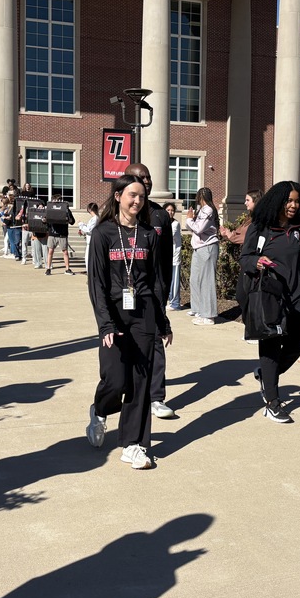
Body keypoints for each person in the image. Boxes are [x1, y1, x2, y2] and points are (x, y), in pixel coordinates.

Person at [85, 175, 172, 469]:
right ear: (119, 195)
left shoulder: (149, 234)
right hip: (114, 312)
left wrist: (162, 320)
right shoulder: (103, 234)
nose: (137, 201)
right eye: (132, 195)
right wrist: (105, 324)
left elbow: (157, 281)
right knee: (115, 380)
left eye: (142, 197)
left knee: (140, 381)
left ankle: (133, 444)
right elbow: (96, 283)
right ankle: (99, 410)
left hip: (144, 312)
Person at [240, 181, 300, 423]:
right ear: (278, 201)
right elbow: (245, 259)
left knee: (298, 342)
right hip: (270, 296)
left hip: (295, 295)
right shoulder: (260, 227)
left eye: (296, 201)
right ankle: (272, 401)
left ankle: (267, 375)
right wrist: (257, 262)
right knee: (271, 347)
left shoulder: (298, 228)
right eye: (289, 201)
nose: (293, 205)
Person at [125, 163, 175, 419]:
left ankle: (156, 397)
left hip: (153, 291)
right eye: (140, 178)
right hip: (123, 292)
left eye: (148, 177)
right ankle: (126, 393)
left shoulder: (159, 216)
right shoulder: (115, 214)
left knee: (156, 341)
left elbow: (165, 259)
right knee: (126, 344)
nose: (146, 181)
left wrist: (164, 290)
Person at [185, 187, 220, 326]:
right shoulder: (202, 210)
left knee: (207, 281)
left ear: (201, 196)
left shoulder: (208, 210)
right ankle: (199, 310)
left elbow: (198, 228)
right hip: (199, 247)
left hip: (207, 247)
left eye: (198, 196)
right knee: (195, 279)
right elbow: (195, 227)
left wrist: (189, 220)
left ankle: (209, 315)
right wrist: (191, 220)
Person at [44, 193, 76, 276]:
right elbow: (45, 220)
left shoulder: (66, 209)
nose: (56, 202)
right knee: (50, 251)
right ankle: (48, 268)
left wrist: (68, 219)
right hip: (52, 233)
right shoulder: (50, 209)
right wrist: (44, 220)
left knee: (65, 251)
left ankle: (67, 269)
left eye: (58, 200)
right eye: (55, 200)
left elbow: (72, 221)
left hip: (62, 233)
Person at [164, 202, 183, 311]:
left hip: (174, 257)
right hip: (166, 257)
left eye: (172, 210)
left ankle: (175, 303)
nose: (170, 212)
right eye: (168, 210)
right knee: (168, 280)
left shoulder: (175, 224)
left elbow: (168, 235)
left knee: (174, 281)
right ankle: (170, 300)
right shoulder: (164, 223)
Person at [78, 202, 100, 272]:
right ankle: (90, 274)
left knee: (89, 259)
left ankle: (91, 275)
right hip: (90, 241)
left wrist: (81, 224)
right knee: (88, 259)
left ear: (90, 209)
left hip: (92, 242)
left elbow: (89, 229)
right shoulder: (94, 218)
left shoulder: (95, 218)